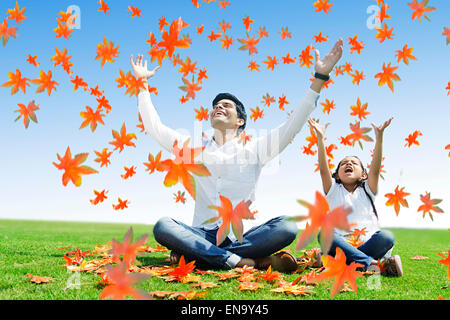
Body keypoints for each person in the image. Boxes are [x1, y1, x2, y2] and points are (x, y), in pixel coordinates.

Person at [130, 38, 344, 272]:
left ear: (240, 121)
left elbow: (293, 124)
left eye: (226, 106)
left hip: (240, 239)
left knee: (288, 226)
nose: (218, 107)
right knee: (164, 226)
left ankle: (201, 256)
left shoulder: (256, 150)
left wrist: (319, 79)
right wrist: (142, 84)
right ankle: (243, 262)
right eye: (216, 106)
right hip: (202, 233)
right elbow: (154, 127)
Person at [308, 117, 403, 276]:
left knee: (386, 236)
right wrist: (320, 138)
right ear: (337, 175)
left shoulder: (368, 189)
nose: (348, 164)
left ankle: (334, 261)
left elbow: (375, 168)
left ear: (364, 174)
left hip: (368, 243)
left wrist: (379, 138)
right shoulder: (333, 189)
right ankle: (372, 264)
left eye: (354, 163)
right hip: (341, 243)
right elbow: (324, 169)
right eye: (344, 163)